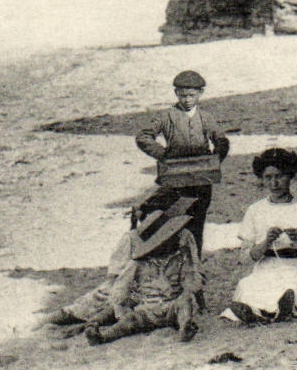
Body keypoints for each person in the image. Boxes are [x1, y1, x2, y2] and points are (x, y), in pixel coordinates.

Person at [221, 148, 297, 325]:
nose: (274, 183)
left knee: (292, 285)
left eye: (279, 176)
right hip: (265, 268)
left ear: (290, 177)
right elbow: (245, 258)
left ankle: (281, 309)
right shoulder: (255, 210)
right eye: (268, 178)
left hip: (294, 268)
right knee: (249, 286)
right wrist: (265, 242)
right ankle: (256, 312)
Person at [43, 188, 191, 330]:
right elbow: (115, 276)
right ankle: (48, 321)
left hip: (149, 291)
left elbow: (189, 269)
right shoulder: (132, 238)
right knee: (87, 308)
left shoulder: (180, 236)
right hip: (129, 287)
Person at [79, 200, 204, 345]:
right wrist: (121, 309)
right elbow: (120, 288)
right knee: (129, 321)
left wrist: (187, 261)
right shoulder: (137, 263)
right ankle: (103, 337)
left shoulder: (179, 259)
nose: (176, 239)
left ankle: (184, 329)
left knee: (184, 303)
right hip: (147, 310)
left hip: (171, 307)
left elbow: (193, 285)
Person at [136, 70, 230, 251]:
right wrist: (163, 154)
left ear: (200, 94)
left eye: (192, 95)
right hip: (174, 179)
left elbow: (221, 139)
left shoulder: (206, 118)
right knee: (170, 222)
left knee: (196, 223)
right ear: (176, 93)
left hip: (202, 181)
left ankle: (194, 266)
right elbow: (143, 136)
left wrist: (215, 159)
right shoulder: (166, 117)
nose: (187, 100)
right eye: (182, 95)